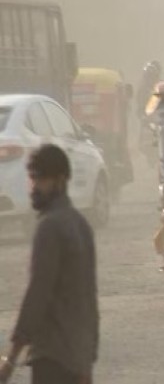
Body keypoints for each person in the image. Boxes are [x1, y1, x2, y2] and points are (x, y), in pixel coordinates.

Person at [0, 145, 98, 384]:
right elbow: (89, 300)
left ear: (61, 180)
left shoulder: (50, 227)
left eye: (41, 178)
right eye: (32, 178)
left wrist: (11, 359)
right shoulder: (80, 224)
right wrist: (87, 359)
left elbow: (38, 293)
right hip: (77, 359)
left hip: (52, 358)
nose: (34, 187)